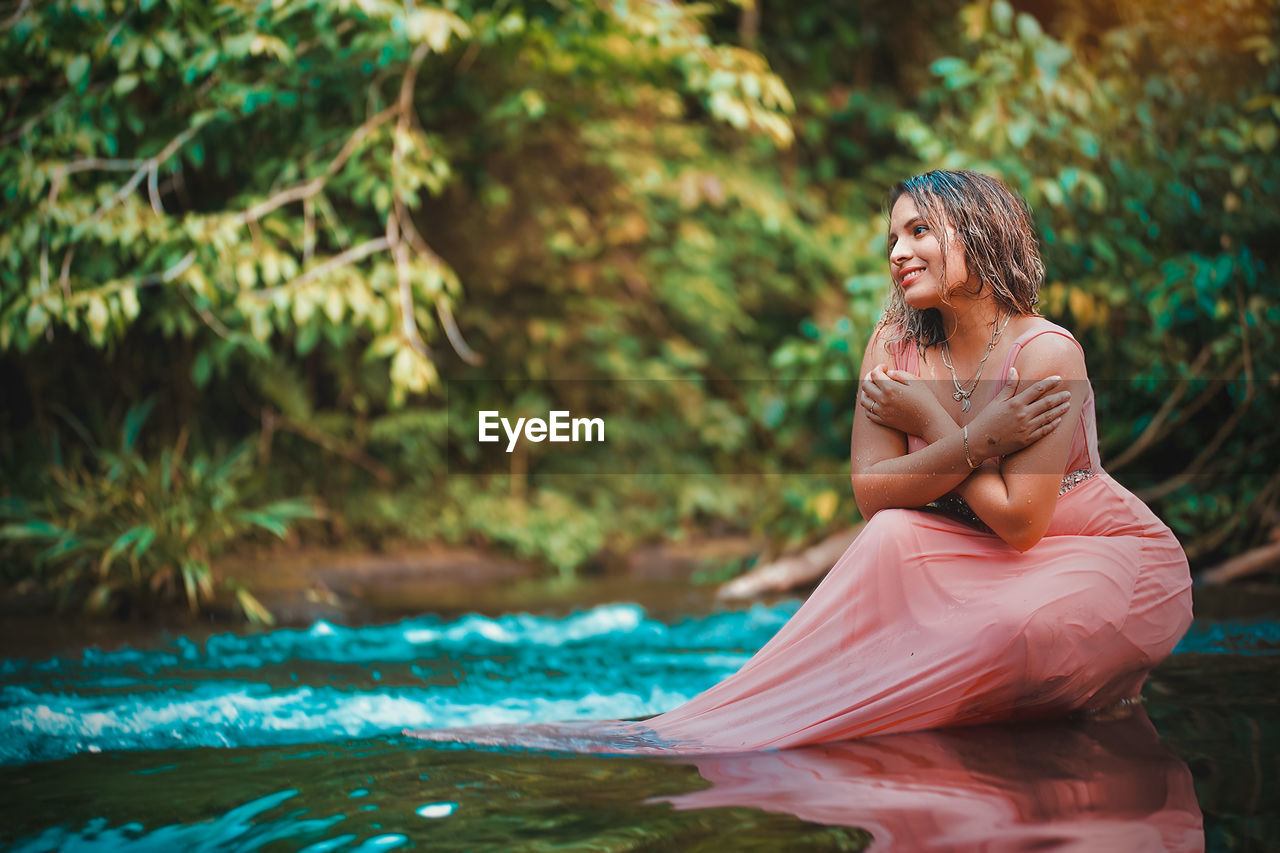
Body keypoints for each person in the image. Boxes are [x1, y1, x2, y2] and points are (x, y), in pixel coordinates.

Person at [408, 169, 1193, 753]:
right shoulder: (892, 347)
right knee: (888, 540)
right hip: (971, 544)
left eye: (919, 231)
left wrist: (935, 422)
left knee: (1020, 627)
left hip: (1082, 548)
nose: (898, 251)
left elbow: (1023, 523)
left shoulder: (1047, 351)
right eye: (893, 235)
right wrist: (973, 435)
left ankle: (1075, 682)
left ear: (981, 234)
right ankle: (771, 717)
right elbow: (873, 494)